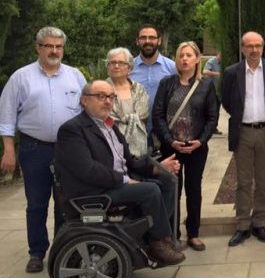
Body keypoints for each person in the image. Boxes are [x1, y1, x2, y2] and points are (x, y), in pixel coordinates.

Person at [54, 80, 185, 266]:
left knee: (166, 182)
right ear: (84, 100)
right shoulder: (73, 129)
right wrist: (124, 180)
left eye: (111, 97)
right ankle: (159, 244)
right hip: (93, 192)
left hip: (113, 184)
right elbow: (88, 170)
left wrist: (156, 167)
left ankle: (153, 237)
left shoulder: (109, 126)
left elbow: (129, 161)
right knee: (150, 190)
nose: (108, 101)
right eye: (101, 96)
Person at [0, 26, 86, 273]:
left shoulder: (75, 76)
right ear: (38, 47)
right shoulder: (21, 77)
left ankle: (62, 249)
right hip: (34, 149)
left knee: (65, 202)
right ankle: (37, 252)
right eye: (49, 46)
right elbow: (6, 115)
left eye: (59, 46)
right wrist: (8, 150)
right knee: (36, 203)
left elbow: (87, 110)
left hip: (68, 151)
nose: (55, 51)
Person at [152, 41, 218, 251]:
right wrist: (170, 141)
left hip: (196, 147)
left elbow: (212, 116)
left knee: (193, 189)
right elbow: (158, 115)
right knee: (172, 190)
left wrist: (201, 140)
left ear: (197, 59)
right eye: (181, 55)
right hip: (172, 147)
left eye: (189, 55)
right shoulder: (167, 83)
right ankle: (172, 235)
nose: (184, 59)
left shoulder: (206, 85)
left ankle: (193, 233)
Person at [221, 31, 265, 246]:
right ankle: (242, 226)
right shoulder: (232, 72)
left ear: (263, 47)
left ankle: (259, 223)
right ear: (242, 48)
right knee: (244, 182)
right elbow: (227, 101)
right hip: (244, 131)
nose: (254, 50)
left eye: (258, 45)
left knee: (264, 181)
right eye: (249, 46)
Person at [129, 24, 176, 145]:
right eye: (143, 38)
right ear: (137, 41)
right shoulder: (128, 69)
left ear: (159, 41)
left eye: (152, 37)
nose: (147, 41)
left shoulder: (172, 68)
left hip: (166, 132)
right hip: (135, 132)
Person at [106, 47, 150, 158]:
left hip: (139, 147)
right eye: (112, 62)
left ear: (129, 67)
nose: (116, 66)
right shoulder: (101, 89)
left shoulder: (139, 89)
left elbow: (143, 115)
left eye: (121, 63)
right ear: (108, 67)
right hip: (109, 144)